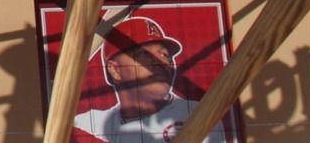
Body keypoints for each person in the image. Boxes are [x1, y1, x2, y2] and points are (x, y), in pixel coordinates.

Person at [73, 16, 226, 143]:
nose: (161, 62)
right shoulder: (88, 124)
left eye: (165, 55)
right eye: (145, 55)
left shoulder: (198, 113)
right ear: (115, 70)